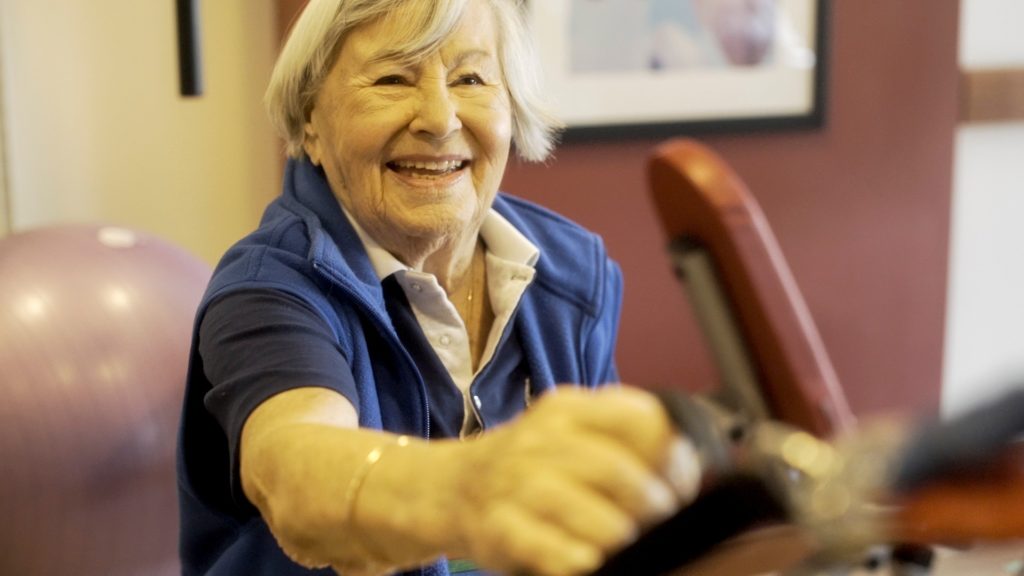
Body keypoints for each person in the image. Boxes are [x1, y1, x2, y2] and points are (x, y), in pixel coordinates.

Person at [177, 1, 701, 575]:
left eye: (471, 78)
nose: (439, 117)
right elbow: (297, 477)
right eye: (393, 78)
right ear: (311, 121)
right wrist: (478, 486)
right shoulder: (269, 290)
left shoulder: (572, 273)